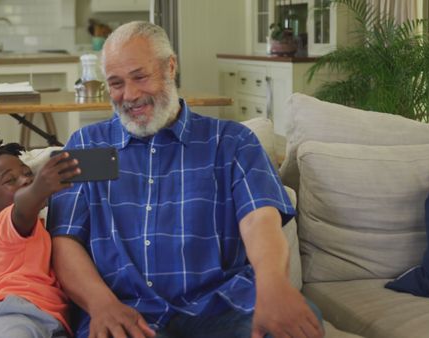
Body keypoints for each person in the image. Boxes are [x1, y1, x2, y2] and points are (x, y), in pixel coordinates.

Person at [48, 21, 324, 338]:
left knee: (298, 325)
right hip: (125, 312)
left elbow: (260, 221)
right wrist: (100, 304)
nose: (130, 95)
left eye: (140, 77)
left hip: (224, 307)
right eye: (116, 83)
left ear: (171, 66)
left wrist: (273, 284)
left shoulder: (231, 143)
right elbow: (64, 240)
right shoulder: (88, 146)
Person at [0, 132, 80, 338]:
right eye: (10, 180)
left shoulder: (43, 227)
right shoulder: (3, 224)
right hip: (11, 312)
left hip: (54, 322)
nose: (25, 179)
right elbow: (22, 207)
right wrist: (39, 188)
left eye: (28, 173)